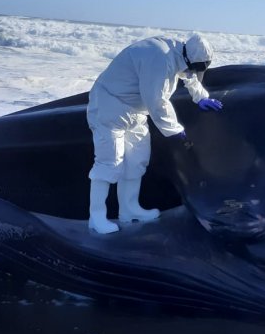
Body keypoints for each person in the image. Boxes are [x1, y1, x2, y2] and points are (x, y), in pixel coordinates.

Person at [86, 34, 224, 234]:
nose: (193, 71)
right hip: (111, 106)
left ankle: (129, 209)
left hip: (135, 111)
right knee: (110, 162)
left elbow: (188, 74)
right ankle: (97, 217)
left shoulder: (179, 53)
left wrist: (201, 97)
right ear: (188, 58)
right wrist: (176, 130)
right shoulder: (158, 58)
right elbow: (156, 101)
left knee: (137, 160)